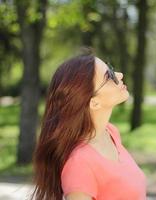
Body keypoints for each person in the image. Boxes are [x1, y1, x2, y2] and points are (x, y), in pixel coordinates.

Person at [30, 51, 147, 200]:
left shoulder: (110, 133)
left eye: (111, 69)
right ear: (94, 102)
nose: (120, 75)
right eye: (109, 76)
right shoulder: (79, 164)